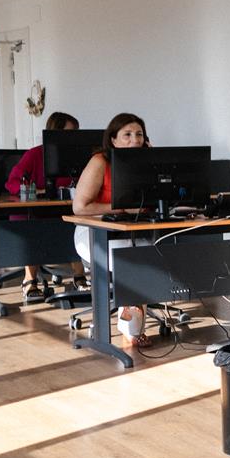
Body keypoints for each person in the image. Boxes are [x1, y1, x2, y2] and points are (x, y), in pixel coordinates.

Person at [71, 112, 154, 348]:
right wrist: (121, 209)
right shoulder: (100, 162)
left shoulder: (146, 162)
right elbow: (80, 207)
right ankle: (132, 327)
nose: (135, 140)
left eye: (139, 134)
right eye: (127, 135)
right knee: (132, 259)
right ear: (113, 140)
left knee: (150, 255)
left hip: (134, 230)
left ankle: (133, 321)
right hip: (95, 231)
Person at [5, 111, 87, 302]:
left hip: (64, 208)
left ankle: (79, 277)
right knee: (34, 228)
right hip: (34, 210)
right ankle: (29, 280)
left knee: (78, 223)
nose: (74, 137)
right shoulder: (34, 154)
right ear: (55, 132)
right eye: (70, 132)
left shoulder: (76, 156)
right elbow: (12, 183)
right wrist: (36, 191)